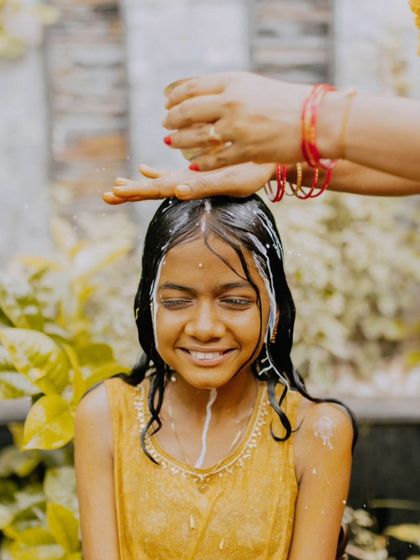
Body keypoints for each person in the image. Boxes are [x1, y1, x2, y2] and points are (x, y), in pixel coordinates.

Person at [75, 195, 355, 559]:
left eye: (236, 301)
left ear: (275, 309)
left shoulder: (316, 432)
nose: (205, 328)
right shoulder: (106, 417)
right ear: (149, 306)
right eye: (176, 301)